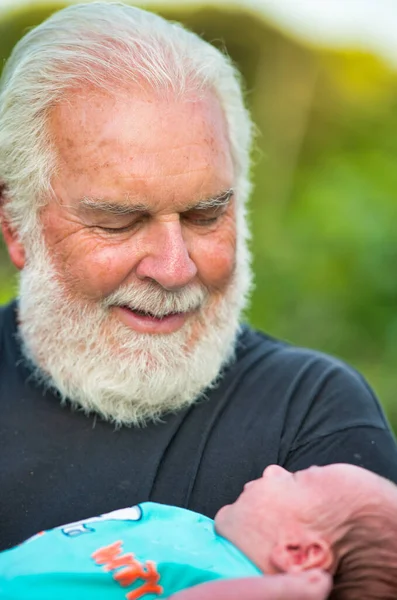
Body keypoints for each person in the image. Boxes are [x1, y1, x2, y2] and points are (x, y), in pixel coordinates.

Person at [0, 1, 397, 554]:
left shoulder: (313, 419)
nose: (175, 268)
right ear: (16, 224)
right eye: (119, 222)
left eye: (205, 216)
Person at [1, 463, 397, 600]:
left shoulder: (235, 585)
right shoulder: (202, 535)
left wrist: (281, 592)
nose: (274, 469)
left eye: (296, 478)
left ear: (300, 554)